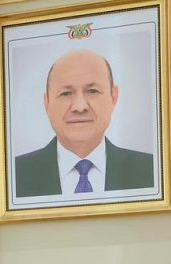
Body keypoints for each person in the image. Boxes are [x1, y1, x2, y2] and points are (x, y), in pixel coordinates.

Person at [15, 49, 154, 198]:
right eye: (66, 93)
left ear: (113, 97)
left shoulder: (151, 171)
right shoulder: (15, 175)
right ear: (47, 102)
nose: (80, 107)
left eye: (92, 91)